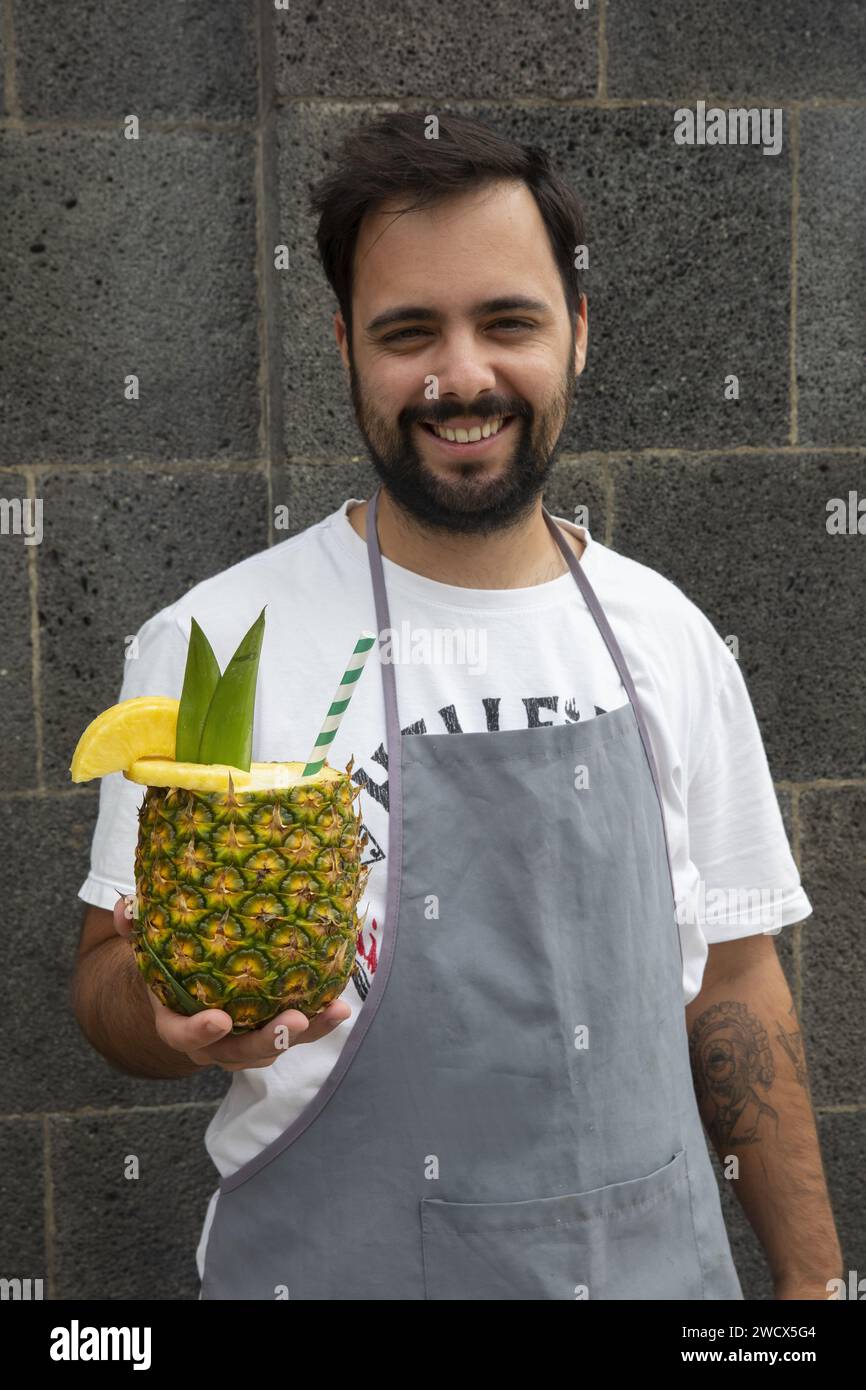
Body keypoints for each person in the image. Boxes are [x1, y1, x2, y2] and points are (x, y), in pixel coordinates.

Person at [74, 112, 841, 1301]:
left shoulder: (669, 634)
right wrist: (169, 1011)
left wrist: (810, 1284)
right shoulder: (215, 644)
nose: (460, 375)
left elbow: (735, 981)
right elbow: (107, 975)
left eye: (508, 321)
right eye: (407, 331)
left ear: (577, 335)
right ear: (343, 347)